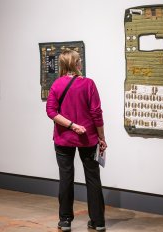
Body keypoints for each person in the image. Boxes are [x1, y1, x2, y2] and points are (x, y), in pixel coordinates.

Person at [46, 50, 107, 231]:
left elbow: (51, 112)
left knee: (66, 178)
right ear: (75, 64)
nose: (81, 63)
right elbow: (97, 113)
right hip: (88, 138)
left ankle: (65, 221)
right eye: (79, 60)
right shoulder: (88, 84)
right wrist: (102, 137)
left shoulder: (56, 85)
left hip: (63, 139)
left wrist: (71, 126)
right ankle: (98, 221)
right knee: (93, 179)